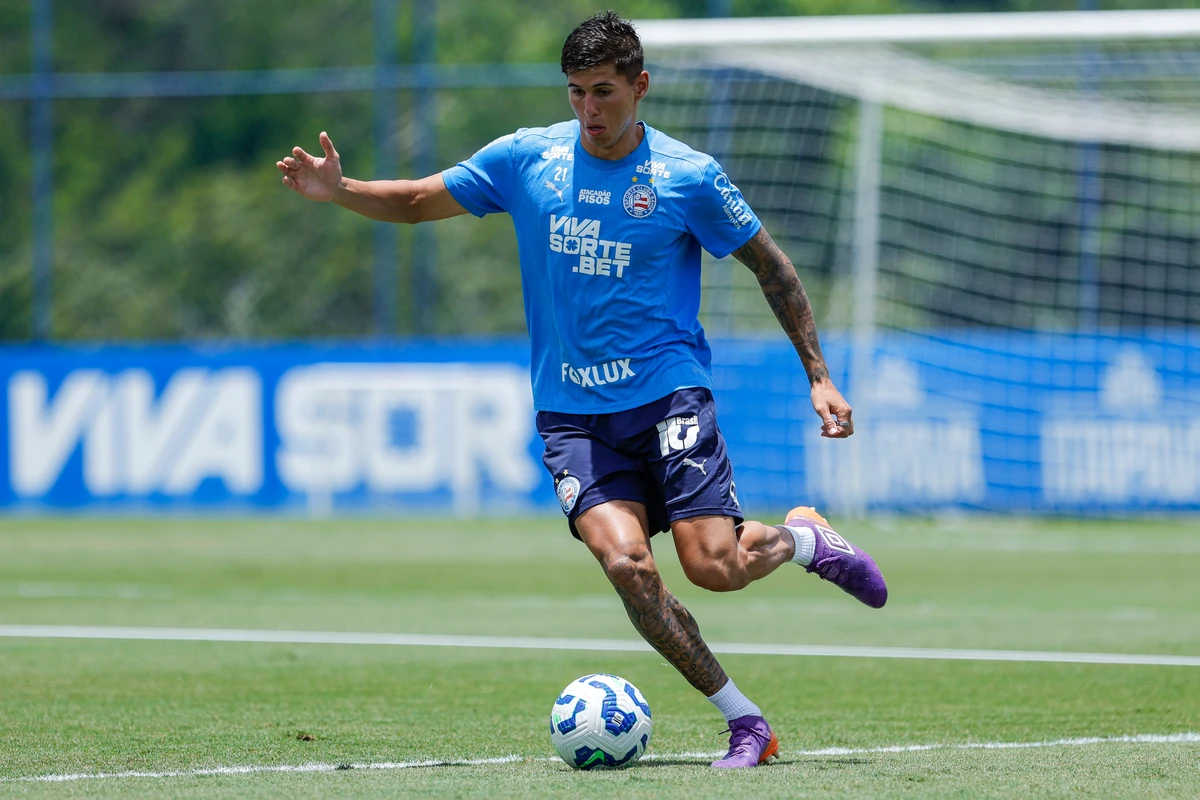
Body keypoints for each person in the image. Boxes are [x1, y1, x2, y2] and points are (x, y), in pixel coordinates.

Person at [276, 10, 887, 770]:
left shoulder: (686, 177)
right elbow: (412, 201)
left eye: (604, 91)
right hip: (572, 418)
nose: (589, 111)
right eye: (575, 93)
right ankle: (746, 723)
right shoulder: (527, 160)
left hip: (668, 398)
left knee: (713, 567)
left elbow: (774, 268)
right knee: (630, 569)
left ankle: (801, 540)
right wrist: (342, 190)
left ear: (640, 86)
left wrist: (820, 377)